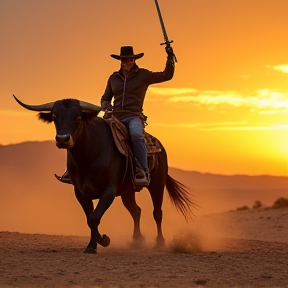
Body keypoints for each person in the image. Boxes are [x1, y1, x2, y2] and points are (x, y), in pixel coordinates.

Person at [100, 45, 175, 186]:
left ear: (134, 60)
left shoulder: (143, 75)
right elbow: (105, 98)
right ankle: (75, 171)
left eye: (130, 59)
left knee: (136, 135)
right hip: (115, 117)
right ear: (120, 61)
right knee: (95, 132)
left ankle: (142, 171)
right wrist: (107, 108)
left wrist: (170, 57)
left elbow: (166, 75)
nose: (127, 62)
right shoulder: (113, 78)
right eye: (124, 59)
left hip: (134, 116)